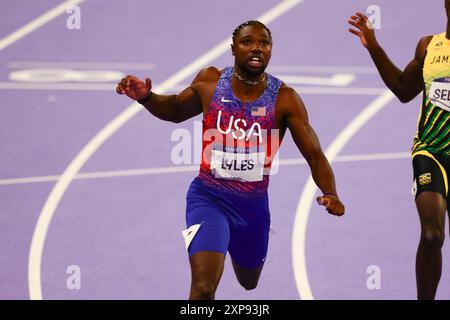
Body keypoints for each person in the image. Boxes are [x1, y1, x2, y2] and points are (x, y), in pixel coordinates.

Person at [116, 20, 345, 300]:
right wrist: (147, 97)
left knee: (249, 282)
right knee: (202, 287)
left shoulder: (285, 99)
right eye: (248, 42)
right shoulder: (210, 82)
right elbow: (176, 109)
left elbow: (314, 154)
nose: (256, 48)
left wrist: (330, 192)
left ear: (271, 50)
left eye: (264, 43)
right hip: (208, 198)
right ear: (233, 49)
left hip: (253, 208)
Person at [348, 2, 450, 300]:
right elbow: (404, 89)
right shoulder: (430, 45)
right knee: (432, 235)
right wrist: (373, 46)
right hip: (431, 153)